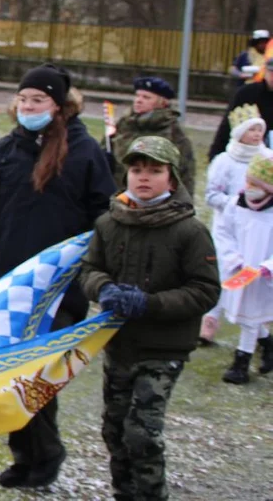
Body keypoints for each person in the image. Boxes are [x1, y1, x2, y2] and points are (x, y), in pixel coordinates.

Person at [0, 63, 116, 489]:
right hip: (12, 288)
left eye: (38, 100)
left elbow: (104, 217)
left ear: (59, 105)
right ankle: (26, 455)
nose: (28, 106)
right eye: (24, 98)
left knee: (36, 375)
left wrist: (102, 272)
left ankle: (44, 457)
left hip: (61, 287)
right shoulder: (6, 151)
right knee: (11, 374)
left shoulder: (85, 153)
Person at [79, 136, 220, 501]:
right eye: (136, 170)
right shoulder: (109, 223)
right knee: (114, 430)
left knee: (142, 433)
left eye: (155, 171)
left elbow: (205, 290)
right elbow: (89, 268)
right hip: (119, 344)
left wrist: (150, 304)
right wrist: (103, 288)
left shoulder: (190, 231)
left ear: (172, 180)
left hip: (163, 347)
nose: (144, 177)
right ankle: (124, 493)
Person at [201, 104, 266, 345]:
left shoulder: (265, 159)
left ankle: (258, 330)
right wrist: (236, 203)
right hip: (227, 228)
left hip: (255, 229)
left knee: (251, 276)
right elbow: (212, 195)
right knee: (223, 273)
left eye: (260, 130)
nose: (257, 134)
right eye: (252, 130)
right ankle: (210, 318)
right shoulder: (225, 161)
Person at [211, 149, 273, 384]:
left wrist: (267, 267)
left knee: (251, 317)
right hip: (239, 269)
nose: (249, 186)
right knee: (246, 315)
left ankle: (241, 361)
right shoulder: (235, 205)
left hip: (263, 276)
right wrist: (232, 258)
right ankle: (267, 343)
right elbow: (223, 232)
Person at [104, 77, 196, 195]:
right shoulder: (123, 124)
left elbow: (185, 176)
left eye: (146, 97)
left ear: (162, 102)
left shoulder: (173, 132)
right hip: (118, 198)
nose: (139, 100)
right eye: (137, 96)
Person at [209, 55, 273, 160]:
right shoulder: (248, 93)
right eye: (272, 73)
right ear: (265, 72)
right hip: (246, 154)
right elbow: (227, 126)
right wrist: (215, 155)